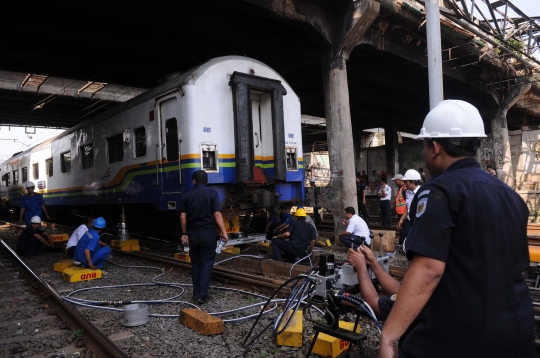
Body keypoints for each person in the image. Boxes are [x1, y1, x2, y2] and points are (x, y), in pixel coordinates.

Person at [380, 100, 534, 358]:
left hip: (459, 337)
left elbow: (428, 271)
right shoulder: (509, 194)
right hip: (516, 332)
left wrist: (390, 336)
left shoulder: (439, 191)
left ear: (435, 147)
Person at [347, 245, 421, 352]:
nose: (408, 264)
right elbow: (400, 292)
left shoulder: (418, 295)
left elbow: (373, 304)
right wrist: (373, 262)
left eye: (411, 261)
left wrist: (361, 267)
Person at [180, 170, 228, 304]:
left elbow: (182, 216)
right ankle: (202, 295)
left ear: (193, 181)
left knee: (195, 263)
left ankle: (195, 293)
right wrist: (224, 232)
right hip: (208, 234)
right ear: (207, 181)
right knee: (207, 263)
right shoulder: (213, 194)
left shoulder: (186, 195)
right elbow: (217, 214)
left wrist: (184, 233)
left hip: (193, 234)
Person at [396, 169, 422, 247]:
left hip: (419, 223)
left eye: (406, 182)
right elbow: (408, 208)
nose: (404, 184)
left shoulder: (422, 192)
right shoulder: (407, 192)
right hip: (410, 222)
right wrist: (401, 220)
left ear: (413, 182)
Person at [391, 174, 407, 244]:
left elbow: (407, 202)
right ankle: (401, 243)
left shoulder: (404, 189)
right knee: (401, 229)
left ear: (400, 180)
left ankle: (404, 244)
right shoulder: (401, 188)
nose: (395, 182)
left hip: (404, 213)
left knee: (404, 230)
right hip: (400, 212)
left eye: (395, 180)